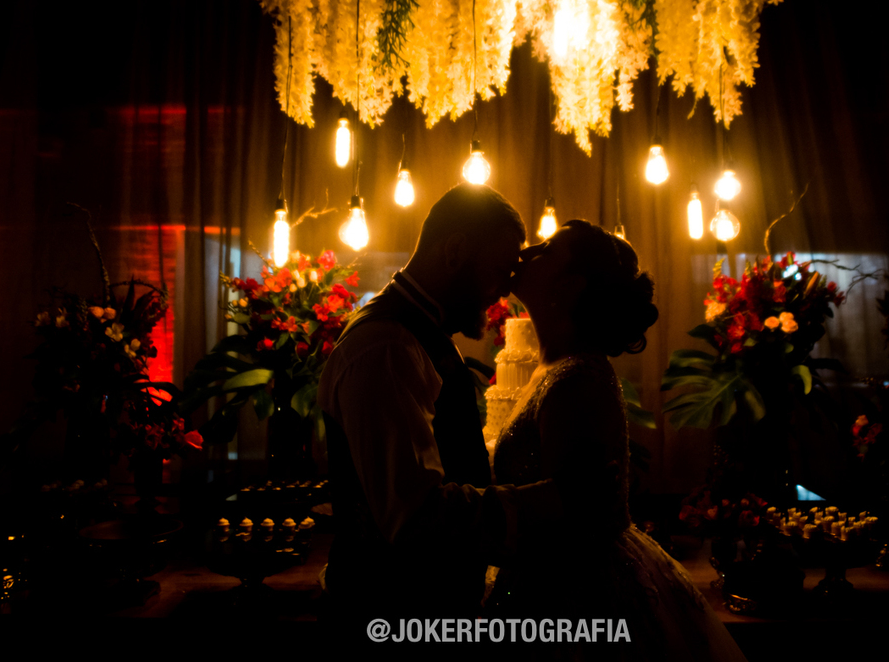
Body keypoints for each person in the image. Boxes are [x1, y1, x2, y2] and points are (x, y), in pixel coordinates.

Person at [488, 219, 748, 660]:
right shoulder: (552, 367)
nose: (527, 251)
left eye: (547, 249)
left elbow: (572, 517)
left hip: (573, 592)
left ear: (569, 286)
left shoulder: (578, 380)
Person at [318, 183, 566, 637]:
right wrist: (552, 502)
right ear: (454, 251)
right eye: (496, 272)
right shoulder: (387, 347)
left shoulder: (414, 335)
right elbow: (416, 517)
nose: (500, 294)